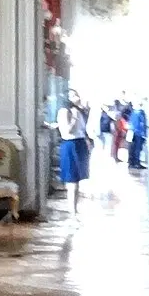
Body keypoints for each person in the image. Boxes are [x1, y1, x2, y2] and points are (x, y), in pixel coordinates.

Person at [56, 88, 91, 217]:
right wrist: (74, 117)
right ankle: (72, 211)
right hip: (70, 144)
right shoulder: (64, 111)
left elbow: (83, 130)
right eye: (73, 95)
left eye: (77, 94)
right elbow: (67, 131)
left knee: (78, 180)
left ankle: (75, 209)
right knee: (71, 180)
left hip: (80, 144)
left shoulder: (79, 110)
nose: (77, 97)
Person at [128, 99, 148, 172]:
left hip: (131, 132)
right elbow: (142, 124)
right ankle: (137, 163)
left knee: (132, 148)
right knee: (138, 149)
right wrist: (144, 134)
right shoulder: (141, 113)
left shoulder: (133, 112)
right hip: (138, 133)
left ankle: (131, 163)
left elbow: (131, 122)